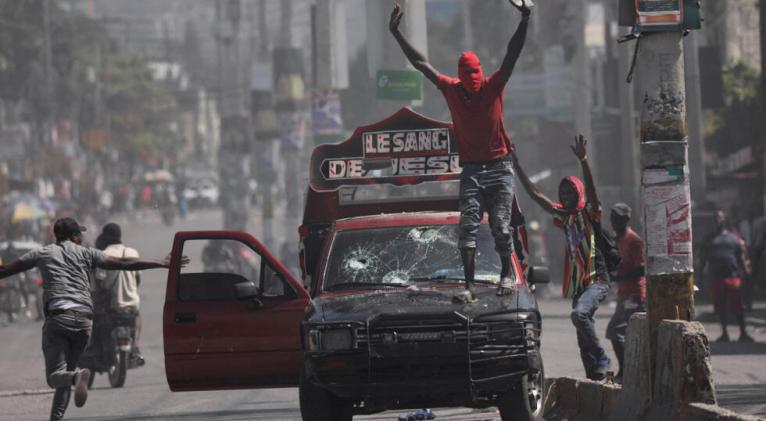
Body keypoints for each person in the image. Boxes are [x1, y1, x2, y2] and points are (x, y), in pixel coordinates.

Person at [389, 0, 531, 302]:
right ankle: (469, 287)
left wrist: (525, 19)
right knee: (466, 228)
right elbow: (420, 64)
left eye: (476, 83)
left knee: (501, 227)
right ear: (461, 80)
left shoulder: (493, 87)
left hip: (499, 168)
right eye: (469, 85)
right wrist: (396, 33)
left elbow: (511, 54)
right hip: (471, 169)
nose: (473, 89)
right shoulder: (451, 88)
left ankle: (506, 274)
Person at [0, 217, 186, 421]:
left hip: (59, 319)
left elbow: (6, 270)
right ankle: (58, 414)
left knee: (56, 377)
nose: (82, 237)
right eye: (79, 234)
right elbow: (124, 264)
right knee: (67, 372)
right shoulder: (87, 253)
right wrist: (160, 262)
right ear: (74, 236)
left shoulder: (42, 253)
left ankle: (77, 376)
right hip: (84, 321)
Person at [511, 135, 612, 380]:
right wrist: (515, 163)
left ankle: (602, 357)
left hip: (597, 280)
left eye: (570, 191)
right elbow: (535, 195)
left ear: (578, 193)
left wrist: (584, 160)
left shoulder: (590, 213)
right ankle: (596, 377)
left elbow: (592, 190)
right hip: (580, 286)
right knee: (581, 335)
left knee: (579, 316)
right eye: (562, 192)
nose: (566, 195)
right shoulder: (564, 217)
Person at [605, 203, 646, 383]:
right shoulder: (617, 240)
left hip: (634, 294)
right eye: (612, 217)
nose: (613, 221)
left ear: (626, 219)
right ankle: (629, 371)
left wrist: (619, 277)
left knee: (616, 331)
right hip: (623, 294)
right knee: (623, 333)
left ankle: (627, 370)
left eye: (617, 218)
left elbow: (641, 269)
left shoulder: (634, 240)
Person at [93, 222, 144, 363]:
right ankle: (135, 346)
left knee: (96, 324)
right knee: (137, 318)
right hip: (132, 304)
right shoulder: (133, 252)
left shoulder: (103, 255)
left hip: (112, 305)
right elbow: (137, 279)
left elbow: (99, 282)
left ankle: (99, 351)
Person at [700, 209, 754, 343]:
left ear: (724, 219)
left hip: (733, 276)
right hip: (716, 278)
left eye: (720, 217)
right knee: (720, 307)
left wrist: (746, 271)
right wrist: (700, 274)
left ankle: (743, 332)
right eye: (716, 218)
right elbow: (703, 259)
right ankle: (724, 333)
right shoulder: (708, 239)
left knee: (738, 306)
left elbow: (741, 257)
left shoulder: (733, 238)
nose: (718, 220)